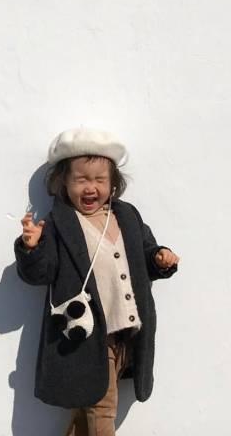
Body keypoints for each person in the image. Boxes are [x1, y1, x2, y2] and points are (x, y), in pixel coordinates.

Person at [14, 128, 180, 436]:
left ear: (113, 183)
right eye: (81, 180)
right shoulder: (59, 224)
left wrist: (160, 258)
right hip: (88, 339)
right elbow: (40, 274)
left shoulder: (127, 216)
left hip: (127, 333)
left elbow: (144, 254)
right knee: (102, 408)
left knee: (87, 407)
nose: (91, 187)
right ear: (63, 183)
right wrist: (31, 248)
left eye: (100, 180)